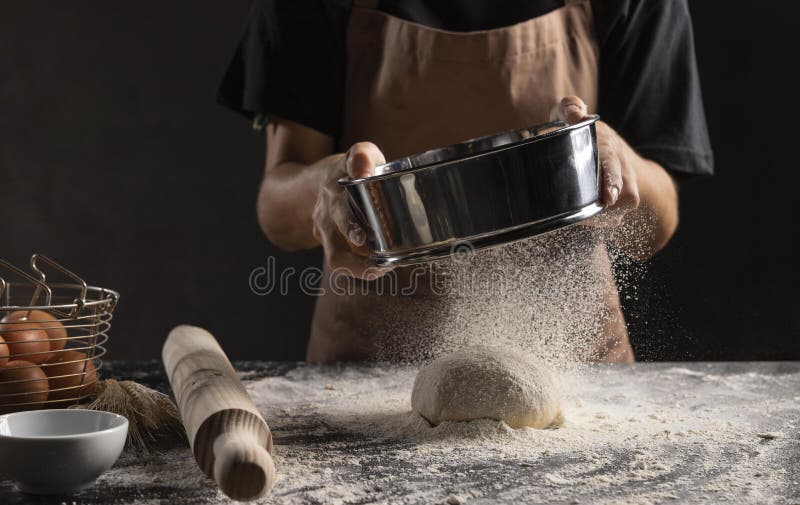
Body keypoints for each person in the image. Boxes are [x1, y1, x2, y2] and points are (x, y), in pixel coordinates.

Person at [219, 0, 713, 363]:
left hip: (576, 375)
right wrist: (329, 190)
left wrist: (616, 163)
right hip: (367, 374)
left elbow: (655, 225)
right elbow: (277, 208)